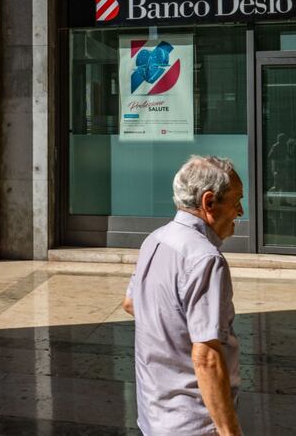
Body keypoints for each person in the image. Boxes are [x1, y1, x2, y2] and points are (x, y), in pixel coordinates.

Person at [123, 155, 244, 435]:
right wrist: (229, 432)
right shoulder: (205, 259)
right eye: (236, 200)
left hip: (154, 414)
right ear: (209, 203)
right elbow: (206, 357)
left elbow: (131, 303)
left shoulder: (155, 239)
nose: (240, 211)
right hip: (193, 421)